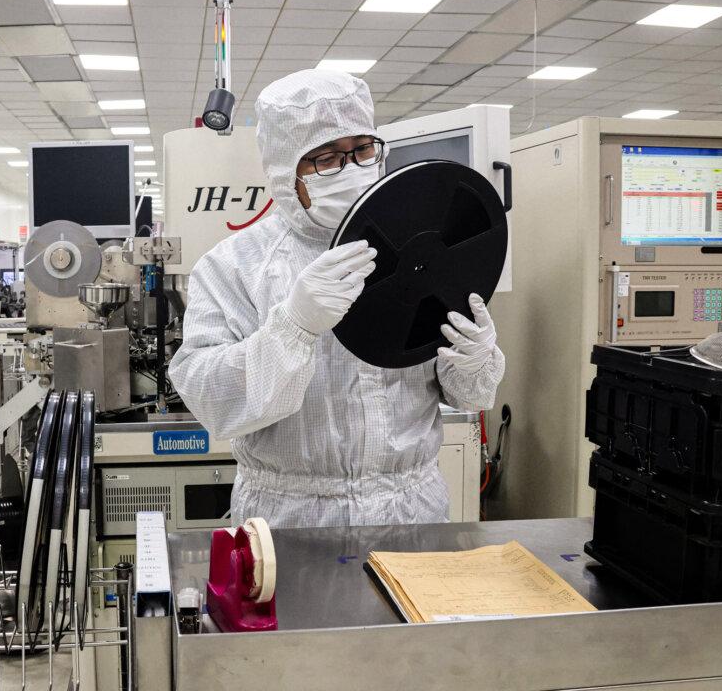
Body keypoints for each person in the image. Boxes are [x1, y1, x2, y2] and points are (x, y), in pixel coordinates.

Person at [168, 69, 504, 529]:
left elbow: (466, 394)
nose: (351, 169)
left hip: (411, 511)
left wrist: (472, 359)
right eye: (326, 159)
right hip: (291, 520)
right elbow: (212, 401)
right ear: (287, 174)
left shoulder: (425, 243)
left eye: (363, 149)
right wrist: (293, 327)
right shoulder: (235, 266)